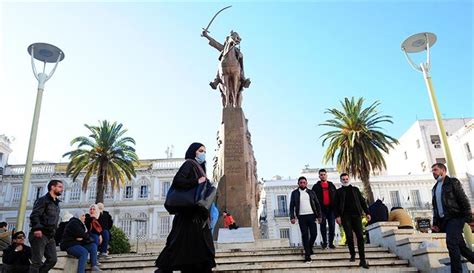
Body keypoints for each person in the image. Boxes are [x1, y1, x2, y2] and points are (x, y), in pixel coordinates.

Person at [155, 142, 216, 273]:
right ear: (194, 152)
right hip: (188, 216)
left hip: (197, 216)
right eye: (201, 150)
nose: (203, 153)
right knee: (181, 245)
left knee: (197, 248)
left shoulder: (201, 169)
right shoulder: (189, 164)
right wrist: (196, 181)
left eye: (204, 151)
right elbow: (178, 181)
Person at [431, 163, 474, 273]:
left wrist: (469, 218)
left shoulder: (452, 182)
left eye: (435, 170)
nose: (433, 172)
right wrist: (435, 223)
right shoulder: (435, 188)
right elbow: (435, 207)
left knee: (451, 243)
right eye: (432, 171)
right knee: (461, 248)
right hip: (445, 221)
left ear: (443, 170)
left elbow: (463, 199)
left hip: (455, 217)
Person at [334, 173, 371, 269]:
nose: (345, 180)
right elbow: (335, 206)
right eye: (343, 179)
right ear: (341, 180)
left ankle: (362, 260)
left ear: (349, 179)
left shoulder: (355, 190)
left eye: (346, 179)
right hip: (345, 216)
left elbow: (362, 202)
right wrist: (337, 216)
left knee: (360, 236)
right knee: (349, 236)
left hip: (357, 215)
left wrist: (367, 213)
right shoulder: (338, 192)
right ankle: (352, 254)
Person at [29, 179, 63, 273]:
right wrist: (37, 228)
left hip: (50, 235)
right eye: (59, 187)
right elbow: (35, 215)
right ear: (52, 187)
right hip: (40, 233)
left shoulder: (56, 203)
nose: (62, 189)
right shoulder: (43, 200)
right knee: (37, 262)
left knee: (53, 259)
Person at [289, 176, 322, 263]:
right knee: (305, 235)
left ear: (306, 183)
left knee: (314, 234)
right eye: (301, 182)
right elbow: (291, 206)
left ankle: (309, 248)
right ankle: (307, 255)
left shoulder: (311, 192)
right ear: (298, 184)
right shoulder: (294, 193)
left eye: (304, 182)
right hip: (301, 217)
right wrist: (292, 217)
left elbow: (317, 204)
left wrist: (319, 216)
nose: (302, 184)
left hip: (311, 216)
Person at [311, 169, 337, 249]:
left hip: (331, 209)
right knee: (323, 226)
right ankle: (325, 242)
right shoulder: (315, 187)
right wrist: (316, 213)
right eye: (321, 174)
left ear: (326, 175)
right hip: (321, 209)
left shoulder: (331, 185)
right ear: (319, 176)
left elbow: (336, 198)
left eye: (324, 174)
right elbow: (313, 200)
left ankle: (331, 243)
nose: (323, 176)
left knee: (332, 226)